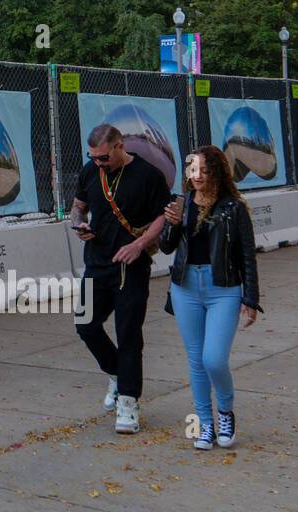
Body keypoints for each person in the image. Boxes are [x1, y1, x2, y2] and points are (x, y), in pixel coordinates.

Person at [160, 146, 263, 451]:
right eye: (193, 170)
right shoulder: (182, 204)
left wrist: (251, 297)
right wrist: (172, 223)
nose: (198, 176)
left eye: (205, 170)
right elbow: (166, 248)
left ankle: (226, 411)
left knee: (213, 359)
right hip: (185, 287)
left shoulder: (233, 207)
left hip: (223, 288)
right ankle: (205, 424)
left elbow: (247, 255)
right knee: (196, 360)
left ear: (217, 172)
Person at [70, 124, 170, 434]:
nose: (99, 163)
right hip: (97, 263)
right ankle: (116, 373)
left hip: (131, 267)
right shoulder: (90, 172)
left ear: (119, 146)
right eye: (93, 157)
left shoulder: (148, 175)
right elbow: (78, 207)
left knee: (128, 334)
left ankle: (128, 400)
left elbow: (162, 216)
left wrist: (139, 244)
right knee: (85, 324)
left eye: (103, 157)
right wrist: (79, 226)